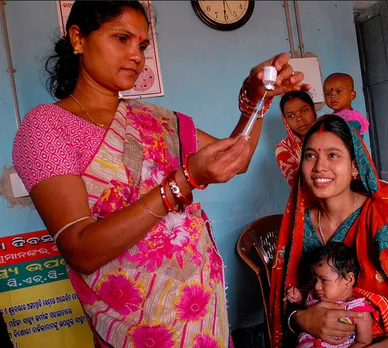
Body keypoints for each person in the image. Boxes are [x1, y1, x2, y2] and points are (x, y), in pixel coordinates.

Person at [11, 1, 309, 347]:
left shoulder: (156, 118)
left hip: (202, 315)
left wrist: (256, 100)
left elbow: (235, 159)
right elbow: (80, 249)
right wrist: (182, 182)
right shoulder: (47, 127)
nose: (136, 56)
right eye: (121, 38)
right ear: (78, 38)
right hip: (139, 327)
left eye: (141, 45)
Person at [269, 115, 388, 347]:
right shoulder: (299, 226)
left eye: (333, 155)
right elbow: (288, 301)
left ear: (355, 166)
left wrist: (387, 345)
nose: (319, 166)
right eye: (310, 155)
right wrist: (301, 318)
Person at [285, 242, 373, 348]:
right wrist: (298, 297)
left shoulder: (358, 311)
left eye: (324, 280)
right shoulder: (315, 295)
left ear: (348, 280)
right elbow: (306, 304)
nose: (317, 286)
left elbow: (364, 342)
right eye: (315, 280)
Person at [276, 91, 318, 188]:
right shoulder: (284, 148)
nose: (299, 119)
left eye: (304, 111)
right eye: (291, 116)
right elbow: (299, 186)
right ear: (285, 120)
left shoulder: (332, 136)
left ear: (313, 110)